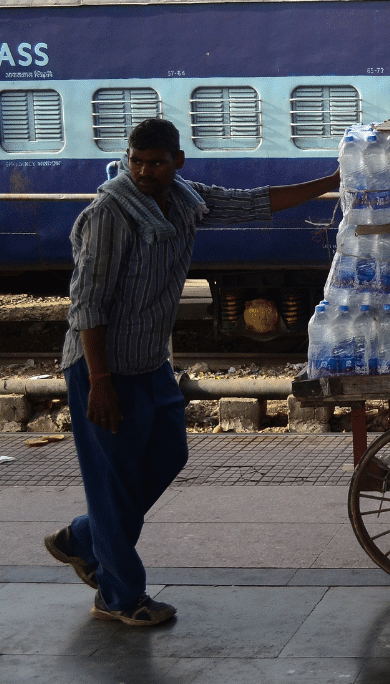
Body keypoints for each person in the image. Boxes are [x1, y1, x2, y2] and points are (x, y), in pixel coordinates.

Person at [43, 118, 340, 626]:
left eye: (156, 162)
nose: (144, 171)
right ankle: (119, 597)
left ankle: (84, 537)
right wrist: (100, 382)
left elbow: (254, 204)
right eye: (136, 160)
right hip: (105, 369)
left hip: (150, 362)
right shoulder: (110, 214)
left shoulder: (184, 198)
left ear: (177, 161)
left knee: (168, 455)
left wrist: (331, 182)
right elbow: (86, 305)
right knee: (113, 487)